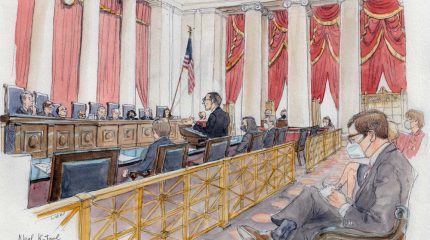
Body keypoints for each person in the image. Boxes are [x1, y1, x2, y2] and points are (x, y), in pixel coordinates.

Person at [237, 110, 414, 240]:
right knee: (311, 195)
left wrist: (343, 206)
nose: (350, 144)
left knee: (310, 212)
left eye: (353, 139)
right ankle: (275, 236)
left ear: (371, 136)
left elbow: (380, 224)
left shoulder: (390, 166)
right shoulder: (387, 157)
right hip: (359, 216)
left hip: (364, 229)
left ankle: (273, 237)